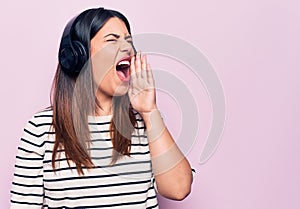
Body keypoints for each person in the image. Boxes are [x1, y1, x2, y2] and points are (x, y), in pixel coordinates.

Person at [10, 7, 193, 209]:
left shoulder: (145, 123)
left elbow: (179, 189)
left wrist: (150, 112)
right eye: (112, 40)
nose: (127, 49)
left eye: (129, 41)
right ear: (79, 56)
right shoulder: (41, 130)